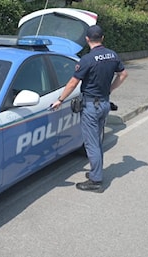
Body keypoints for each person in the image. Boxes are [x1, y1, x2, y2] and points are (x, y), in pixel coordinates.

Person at [51, 25, 128, 192]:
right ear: (102, 38)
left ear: (87, 39)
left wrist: (60, 100)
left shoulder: (87, 60)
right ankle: (97, 171)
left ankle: (95, 180)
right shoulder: (112, 55)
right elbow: (123, 74)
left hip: (91, 106)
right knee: (97, 141)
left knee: (91, 143)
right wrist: (111, 88)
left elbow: (73, 83)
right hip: (105, 104)